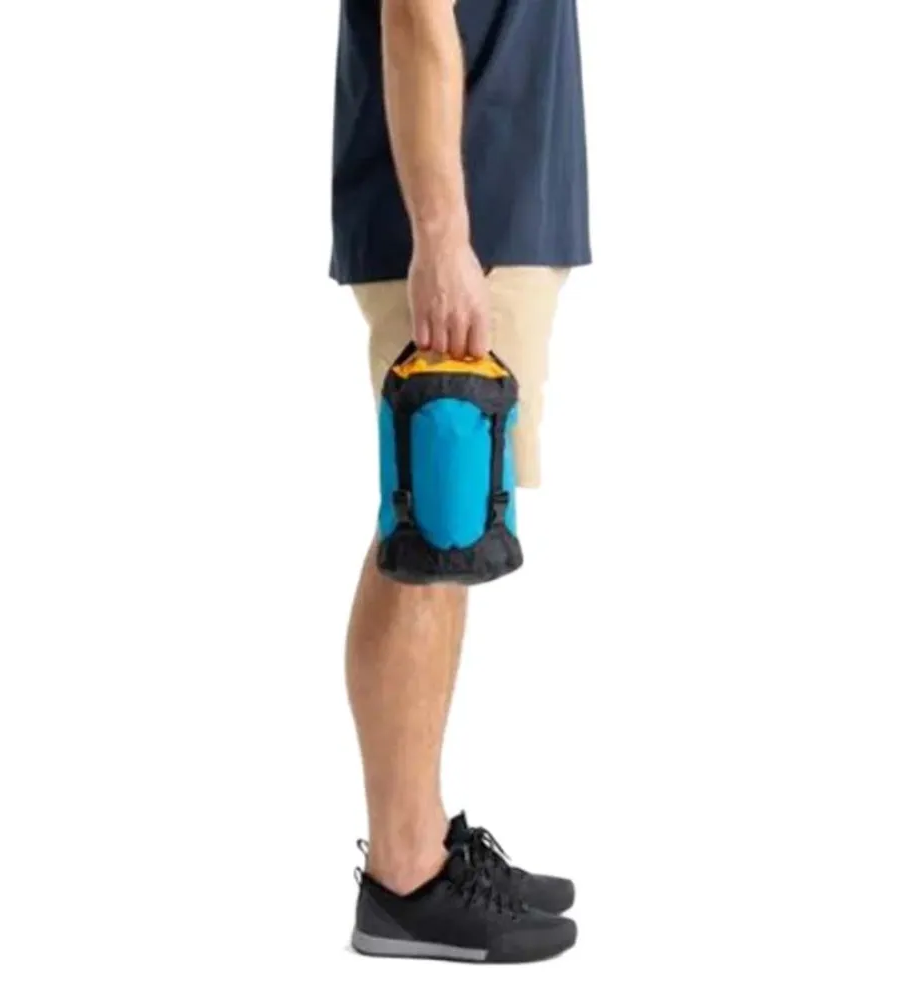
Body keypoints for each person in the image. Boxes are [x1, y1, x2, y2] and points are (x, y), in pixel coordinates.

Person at [330, 0, 590, 964]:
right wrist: (441, 237)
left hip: (495, 209)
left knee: (448, 537)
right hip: (460, 222)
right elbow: (412, 14)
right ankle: (404, 876)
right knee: (430, 534)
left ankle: (422, 842)